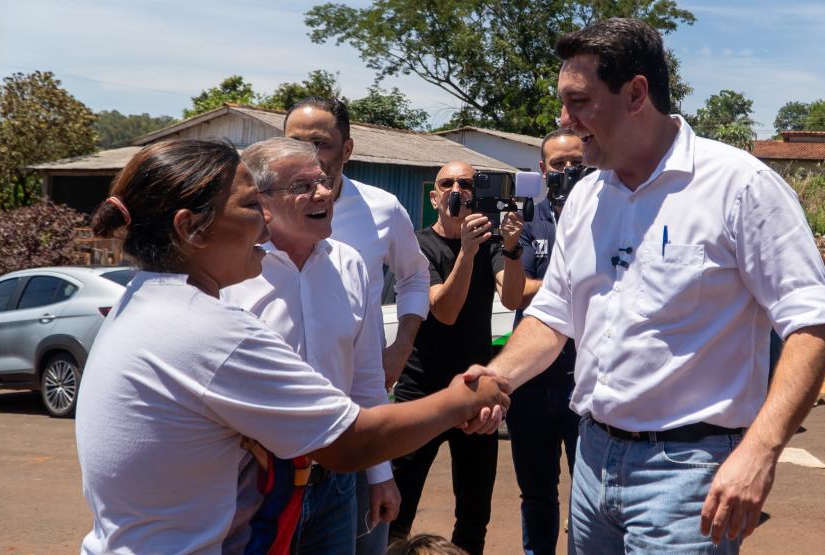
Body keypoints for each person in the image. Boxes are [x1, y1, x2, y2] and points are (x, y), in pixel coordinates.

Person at [465, 18, 825, 554]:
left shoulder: (739, 187)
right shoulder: (588, 197)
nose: (564, 120)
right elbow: (554, 315)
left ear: (636, 93)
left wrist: (760, 451)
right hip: (593, 460)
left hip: (690, 471)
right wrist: (499, 375)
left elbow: (813, 324)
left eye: (579, 102)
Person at [74, 138, 510, 554]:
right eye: (250, 206)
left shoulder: (142, 302)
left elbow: (363, 384)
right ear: (191, 229)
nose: (264, 221)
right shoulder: (209, 330)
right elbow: (351, 441)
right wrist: (463, 399)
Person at [221, 137, 391, 554]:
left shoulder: (350, 265)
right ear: (260, 200)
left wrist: (380, 475)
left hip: (336, 483)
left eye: (324, 181)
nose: (324, 194)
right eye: (303, 186)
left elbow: (367, 379)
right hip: (253, 485)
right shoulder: (229, 272)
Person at [283, 97, 429, 554]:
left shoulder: (382, 209)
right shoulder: (258, 218)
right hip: (271, 444)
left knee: (365, 536)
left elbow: (415, 276)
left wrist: (402, 344)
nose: (307, 154)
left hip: (355, 412)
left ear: (346, 150)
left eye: (320, 143)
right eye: (295, 142)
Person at [389, 161, 526, 555]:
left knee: (473, 511)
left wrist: (512, 251)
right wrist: (466, 251)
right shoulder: (418, 246)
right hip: (423, 389)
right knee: (399, 504)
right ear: (434, 197)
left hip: (473, 391)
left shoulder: (492, 244)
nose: (456, 189)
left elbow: (513, 298)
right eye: (446, 183)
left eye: (466, 184)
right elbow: (444, 311)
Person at [507, 128, 586, 555]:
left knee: (589, 494)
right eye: (559, 165)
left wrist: (545, 280)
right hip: (533, 382)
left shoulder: (605, 216)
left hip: (585, 380)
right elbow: (513, 293)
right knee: (537, 494)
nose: (569, 172)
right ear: (542, 169)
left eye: (577, 163)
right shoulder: (522, 221)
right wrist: (571, 281)